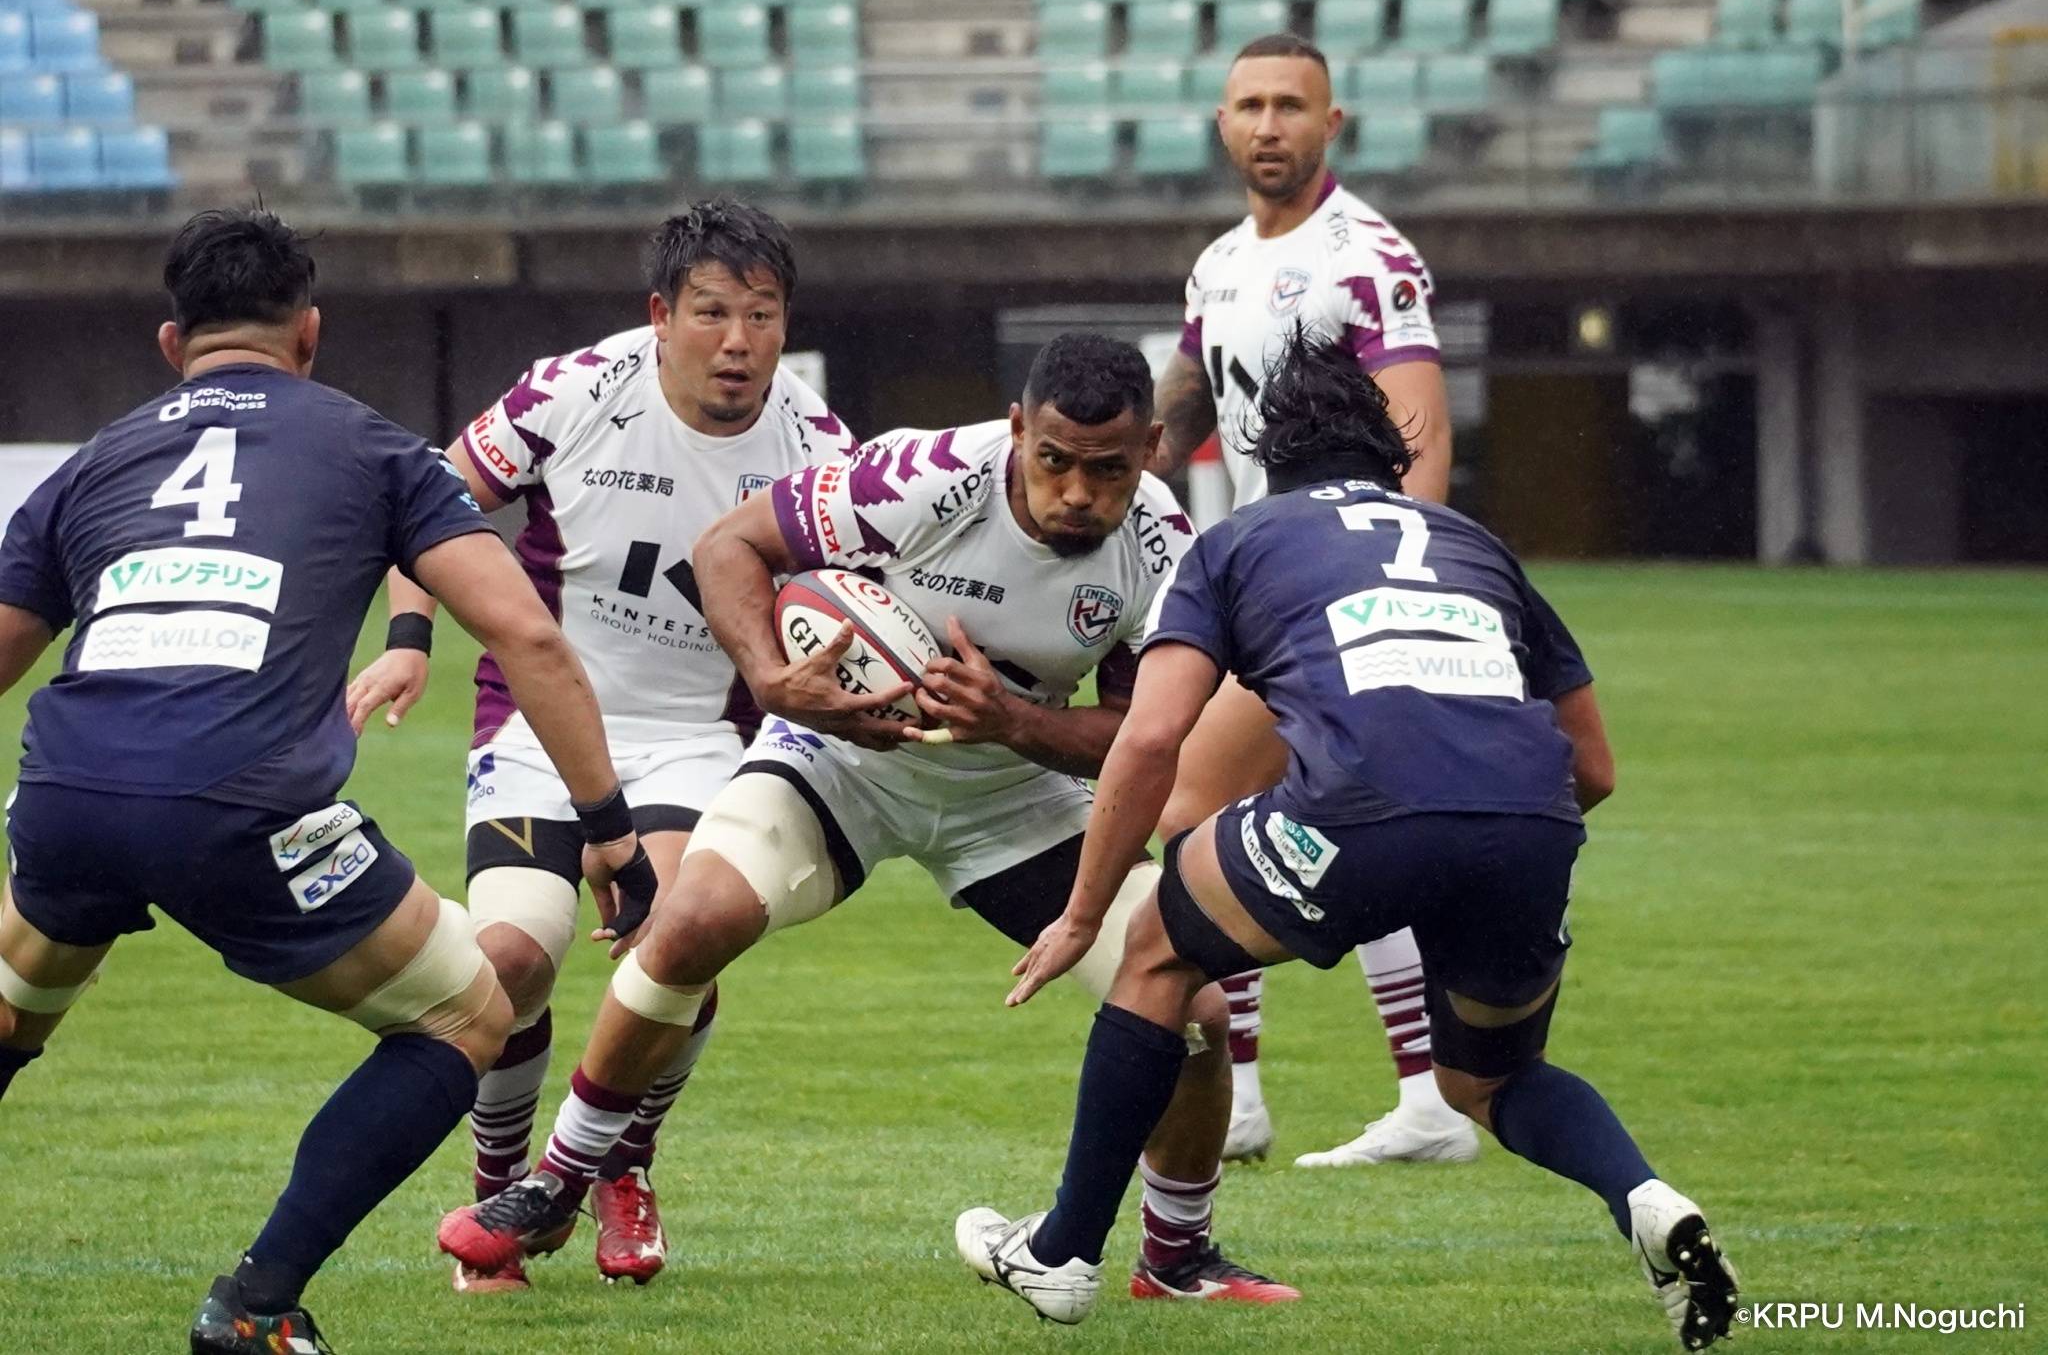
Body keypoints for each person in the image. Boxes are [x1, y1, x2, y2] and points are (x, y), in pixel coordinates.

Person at [438, 333, 1299, 1305]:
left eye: (1107, 471)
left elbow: (1147, 737)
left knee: (1196, 1009)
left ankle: (1175, 1257)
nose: (1075, 493)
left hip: (1011, 796)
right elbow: (730, 545)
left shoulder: (1166, 551)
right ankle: (559, 1180)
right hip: (841, 762)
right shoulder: (922, 476)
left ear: (1150, 449)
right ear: (1018, 428)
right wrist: (773, 680)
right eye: (1053, 459)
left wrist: (1014, 722)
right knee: (691, 920)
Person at [958, 328, 1741, 1350]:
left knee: (1153, 948)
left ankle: (1061, 1253)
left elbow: (1150, 739)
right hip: (1528, 828)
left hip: (1356, 812)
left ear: (1267, 458)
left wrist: (1079, 915)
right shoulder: (1473, 545)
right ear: (1391, 458)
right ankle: (1644, 1197)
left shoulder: (1236, 540)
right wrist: (1463, 853)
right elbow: (1592, 767)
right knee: (1488, 1080)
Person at [0, 208, 655, 1353]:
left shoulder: (94, 461)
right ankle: (257, 1305)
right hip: (245, 806)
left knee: (15, 1008)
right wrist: (606, 824)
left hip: (67, 796)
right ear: (309, 332)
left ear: (172, 343)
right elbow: (525, 635)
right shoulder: (373, 448)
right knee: (466, 1015)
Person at [344, 199, 857, 1292]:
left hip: (699, 738)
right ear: (660, 315)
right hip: (539, 723)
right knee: (508, 963)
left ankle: (622, 1159)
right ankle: (499, 1191)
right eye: (712, 312)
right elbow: (430, 500)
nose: (738, 341)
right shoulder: (572, 391)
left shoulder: (818, 448)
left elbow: (861, 590)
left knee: (678, 940)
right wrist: (407, 638)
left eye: (762, 315)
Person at [1151, 30, 1469, 1167]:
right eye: (1249, 106)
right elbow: (1179, 414)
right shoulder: (1218, 264)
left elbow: (1419, 438)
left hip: (1327, 594)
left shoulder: (1366, 257)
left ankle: (1238, 1089)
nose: (1269, 125)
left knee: (1188, 806)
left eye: (1291, 105)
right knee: (1336, 819)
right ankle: (1419, 1098)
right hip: (1255, 576)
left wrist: (1393, 587)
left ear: (1331, 124)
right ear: (1221, 124)